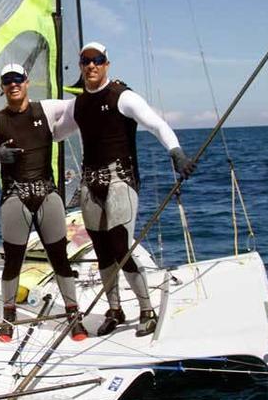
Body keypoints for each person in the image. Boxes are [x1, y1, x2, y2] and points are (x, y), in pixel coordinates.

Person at [54, 42, 195, 337]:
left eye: (98, 60)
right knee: (103, 251)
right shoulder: (76, 105)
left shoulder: (123, 97)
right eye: (85, 61)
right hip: (91, 184)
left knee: (121, 247)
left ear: (107, 64)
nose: (91, 65)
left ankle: (146, 310)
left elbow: (156, 124)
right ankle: (115, 309)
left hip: (121, 181)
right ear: (80, 66)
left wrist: (176, 152)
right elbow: (54, 133)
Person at [0, 63, 88, 343]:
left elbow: (76, 107)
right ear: (2, 86)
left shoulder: (45, 109)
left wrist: (87, 87)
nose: (13, 85)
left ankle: (73, 315)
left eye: (18, 80)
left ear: (27, 82)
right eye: (7, 81)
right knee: (13, 261)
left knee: (60, 257)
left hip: (47, 193)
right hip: (15, 196)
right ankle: (8, 318)